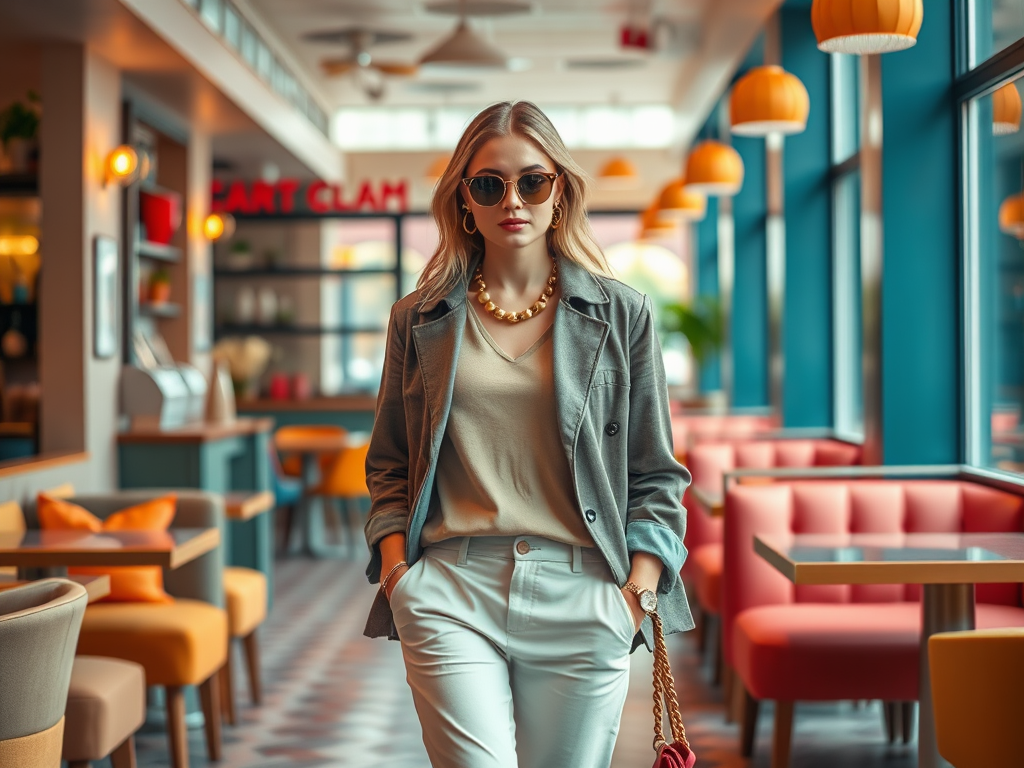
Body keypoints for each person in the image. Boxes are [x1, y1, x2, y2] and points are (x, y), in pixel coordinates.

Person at [363, 100, 692, 768]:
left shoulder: (622, 314)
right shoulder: (417, 319)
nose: (512, 199)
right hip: (451, 590)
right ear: (465, 201)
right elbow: (390, 464)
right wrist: (400, 577)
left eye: (532, 181)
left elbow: (656, 473)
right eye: (489, 184)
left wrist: (636, 594)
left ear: (558, 192)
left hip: (586, 594)